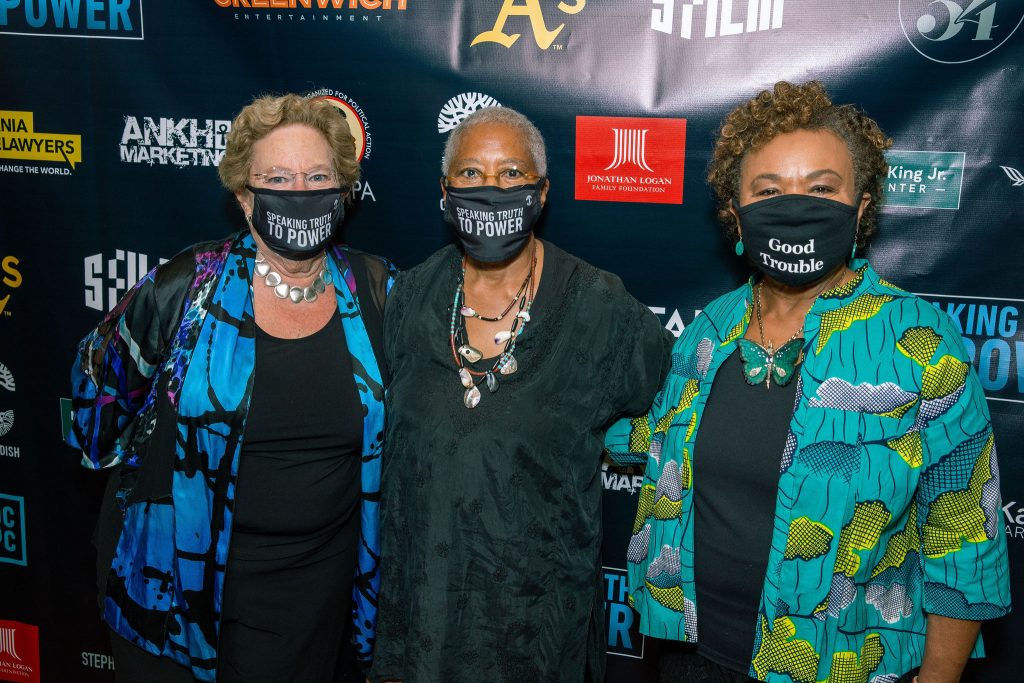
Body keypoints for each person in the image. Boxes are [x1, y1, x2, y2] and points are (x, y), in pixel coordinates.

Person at [605, 81, 1011, 683]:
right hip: (694, 658)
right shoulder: (709, 332)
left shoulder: (919, 339)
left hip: (845, 668)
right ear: (735, 212)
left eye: (821, 188)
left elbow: (963, 532)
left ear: (862, 207)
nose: (795, 207)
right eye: (769, 191)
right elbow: (648, 440)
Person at [65, 93, 394, 683]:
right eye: (278, 178)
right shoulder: (188, 286)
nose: (299, 191)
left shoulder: (377, 291)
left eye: (318, 176)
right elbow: (95, 407)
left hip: (318, 604)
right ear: (245, 197)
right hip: (174, 596)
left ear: (343, 192)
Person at [369, 106, 673, 683]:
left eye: (511, 174)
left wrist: (608, 441)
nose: (491, 190)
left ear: (542, 192)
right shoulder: (408, 298)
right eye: (471, 174)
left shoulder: (599, 308)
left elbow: (674, 407)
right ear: (444, 191)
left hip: (535, 636)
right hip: (418, 628)